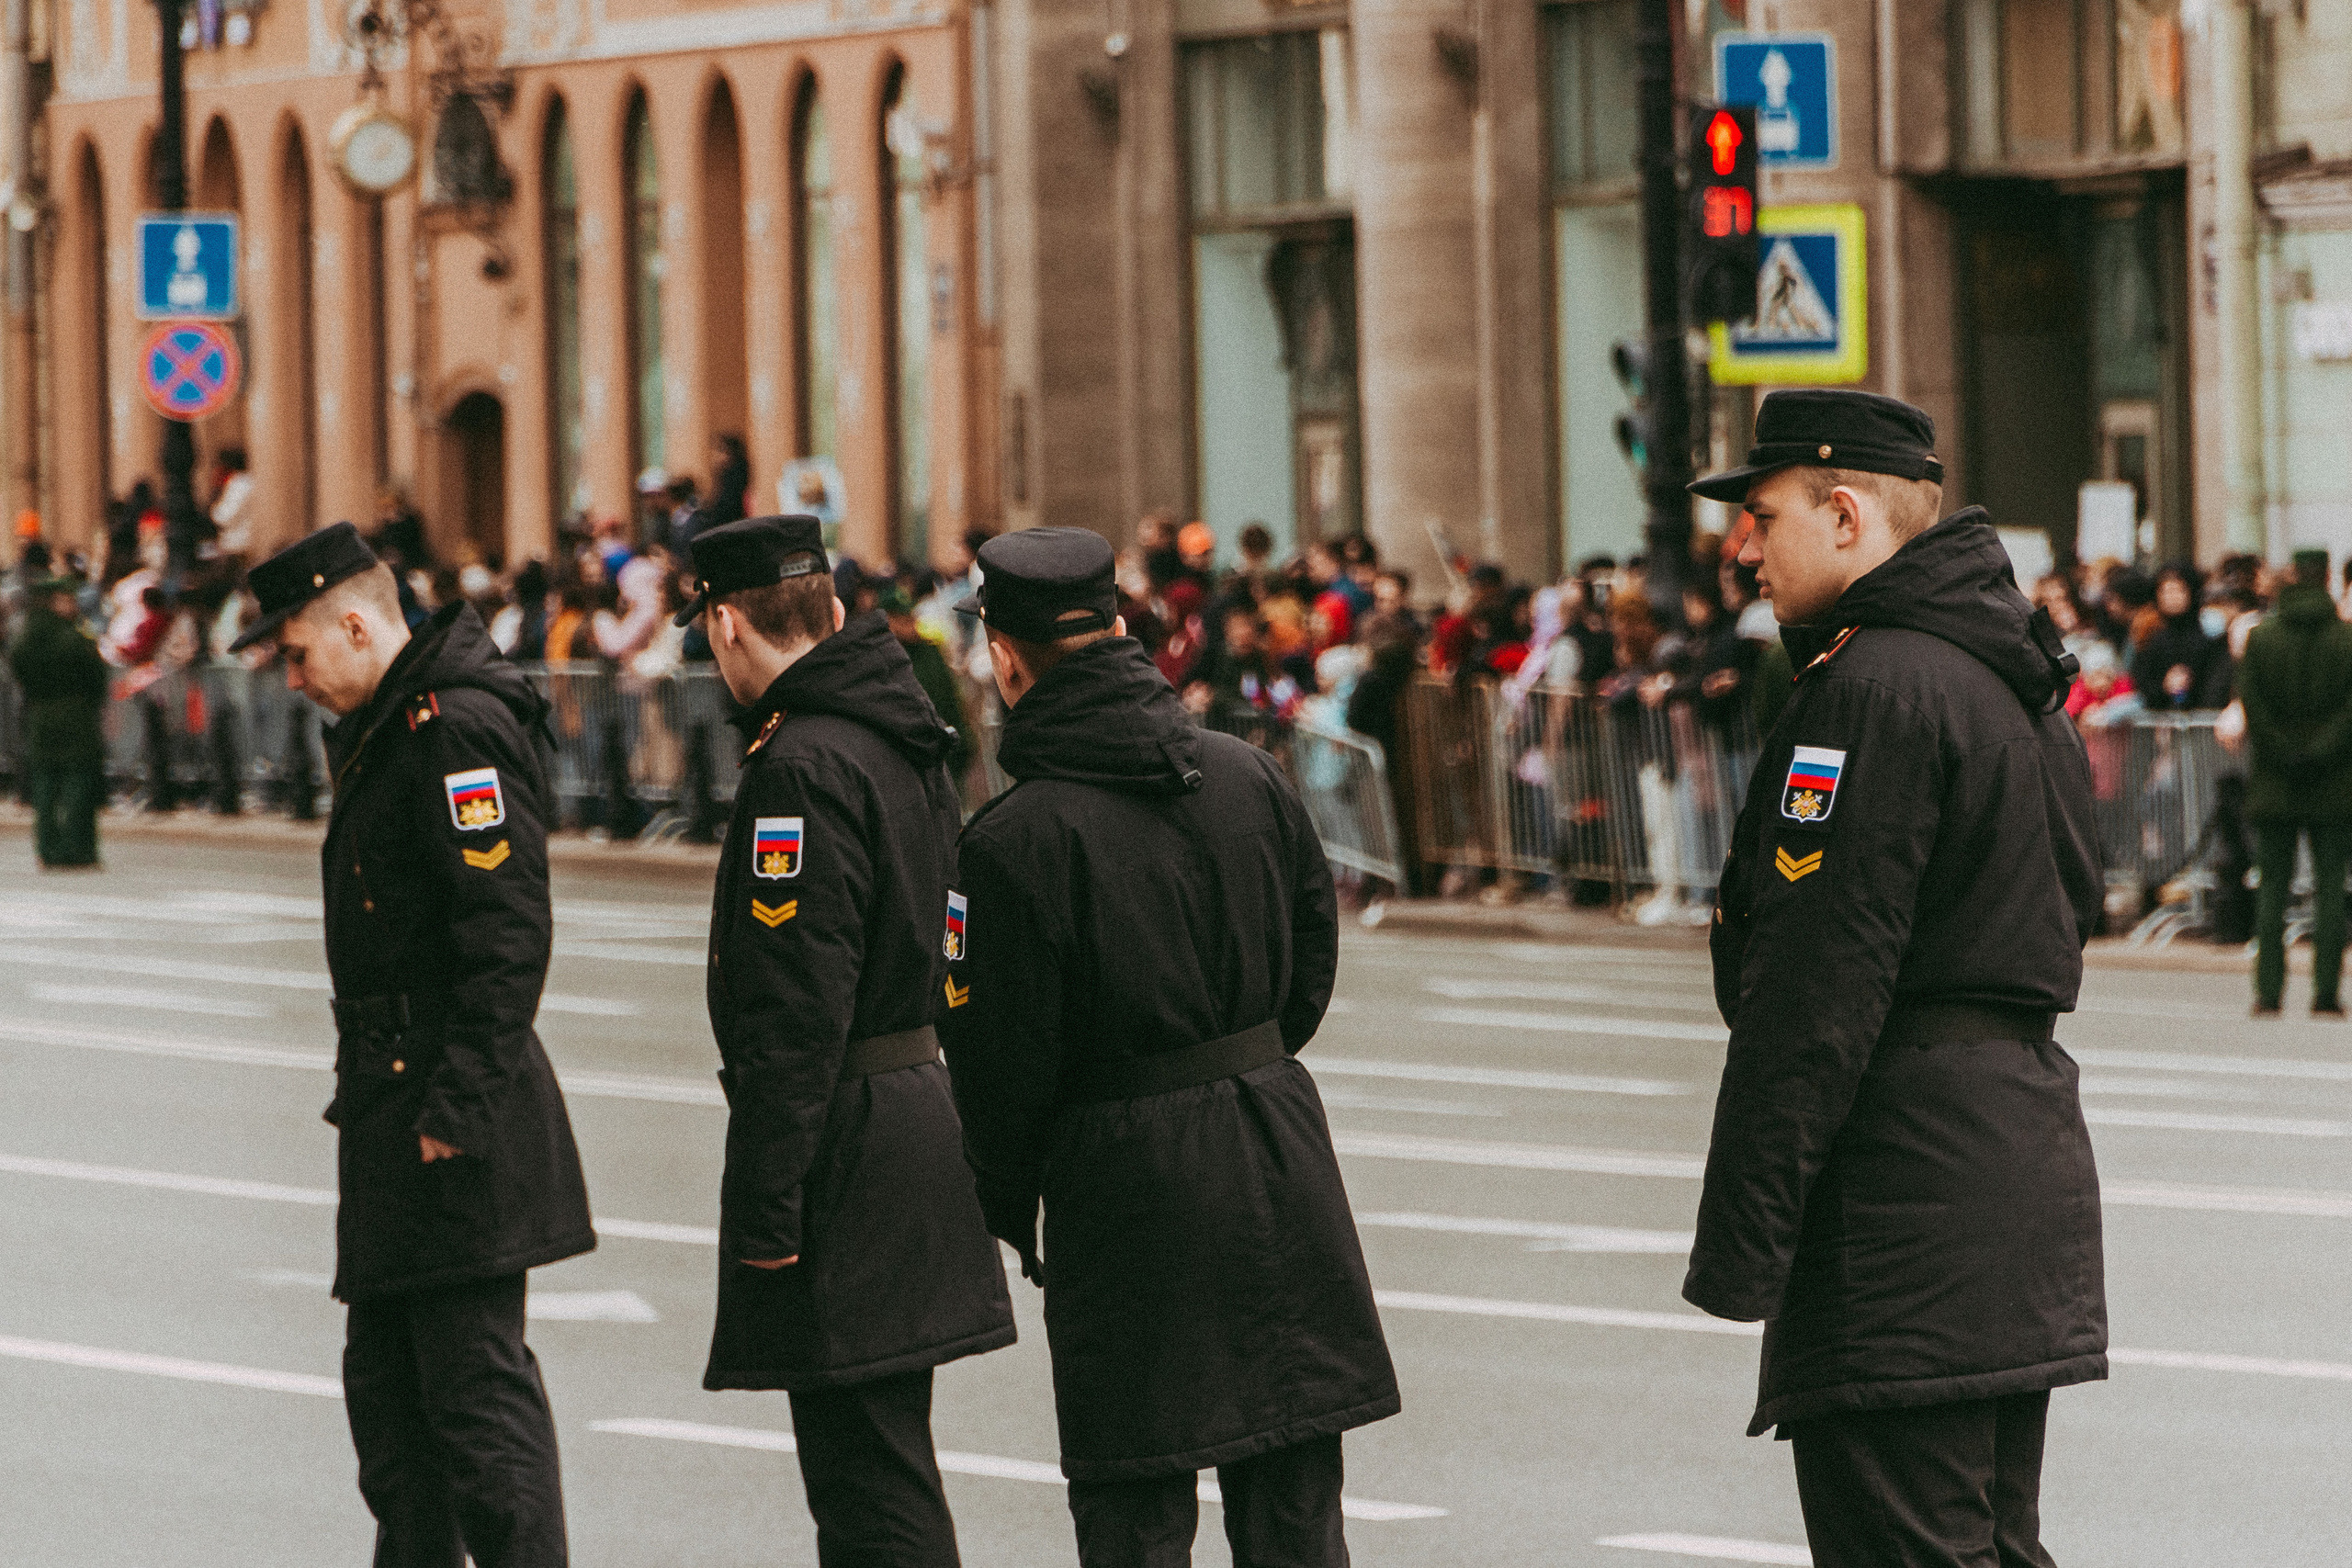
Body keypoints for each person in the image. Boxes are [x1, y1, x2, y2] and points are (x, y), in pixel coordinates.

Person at [1681, 390, 2106, 1568]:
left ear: (1848, 513)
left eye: (1762, 516)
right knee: (1985, 1542)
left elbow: (1814, 986)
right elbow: (2078, 900)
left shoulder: (1871, 691)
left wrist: (1743, 1244)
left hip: (1898, 1201)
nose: (1741, 549)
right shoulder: (2011, 679)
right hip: (2010, 1177)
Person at [938, 527, 1397, 1568]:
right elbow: (1307, 974)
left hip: (1122, 1183)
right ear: (1116, 629)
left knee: (1135, 1513)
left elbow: (995, 1069)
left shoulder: (1011, 844)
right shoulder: (1248, 776)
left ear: (1008, 657)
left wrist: (1013, 1207)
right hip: (1273, 1149)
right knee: (1293, 1504)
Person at [229, 523, 594, 1568]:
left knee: (476, 1408)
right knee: (394, 1414)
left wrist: (456, 1113)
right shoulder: (393, 725)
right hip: (394, 1104)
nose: (292, 680)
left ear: (355, 623)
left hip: (443, 1114)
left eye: (297, 653)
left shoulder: (449, 730)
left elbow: (506, 933)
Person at [677, 515, 1015, 1566]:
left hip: (848, 1147)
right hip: (915, 1112)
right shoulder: (895, 729)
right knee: (885, 1459)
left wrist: (766, 1206)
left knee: (867, 1488)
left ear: (728, 624)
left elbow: (794, 1007)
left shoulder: (805, 763)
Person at [2235, 548, 2352, 1017]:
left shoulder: (2262, 639)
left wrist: (2282, 750)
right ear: (2325, 577)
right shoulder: (2347, 640)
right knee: (2329, 889)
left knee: (2272, 890)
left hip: (2274, 779)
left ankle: (2268, 991)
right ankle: (2325, 993)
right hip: (2333, 780)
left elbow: (2253, 705)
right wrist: (2321, 749)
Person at [11, 573, 108, 868]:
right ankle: (77, 848)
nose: (73, 605)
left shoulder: (25, 639)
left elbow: (19, 671)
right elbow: (97, 677)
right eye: (67, 600)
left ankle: (47, 847)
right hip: (75, 715)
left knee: (44, 784)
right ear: (54, 603)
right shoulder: (75, 638)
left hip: (40, 715)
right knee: (78, 781)